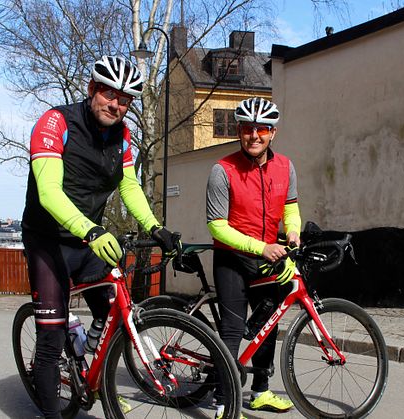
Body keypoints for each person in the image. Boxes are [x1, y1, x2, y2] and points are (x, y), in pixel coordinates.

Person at [21, 55, 178, 418]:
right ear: (92, 90)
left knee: (114, 314)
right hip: (48, 240)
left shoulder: (121, 137)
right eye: (109, 94)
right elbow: (48, 193)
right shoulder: (55, 122)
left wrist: (155, 227)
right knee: (50, 337)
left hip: (86, 238)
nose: (116, 104)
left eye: (125, 100)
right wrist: (91, 230)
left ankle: (98, 379)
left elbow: (129, 186)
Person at [206, 97, 299, 418]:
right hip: (232, 258)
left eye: (262, 129)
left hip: (267, 257)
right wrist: (262, 247)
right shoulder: (223, 170)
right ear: (239, 131)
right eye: (247, 129)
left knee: (268, 326)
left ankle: (260, 391)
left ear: (273, 132)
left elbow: (290, 206)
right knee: (232, 330)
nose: (254, 135)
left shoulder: (285, 166)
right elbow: (217, 227)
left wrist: (293, 232)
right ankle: (223, 404)